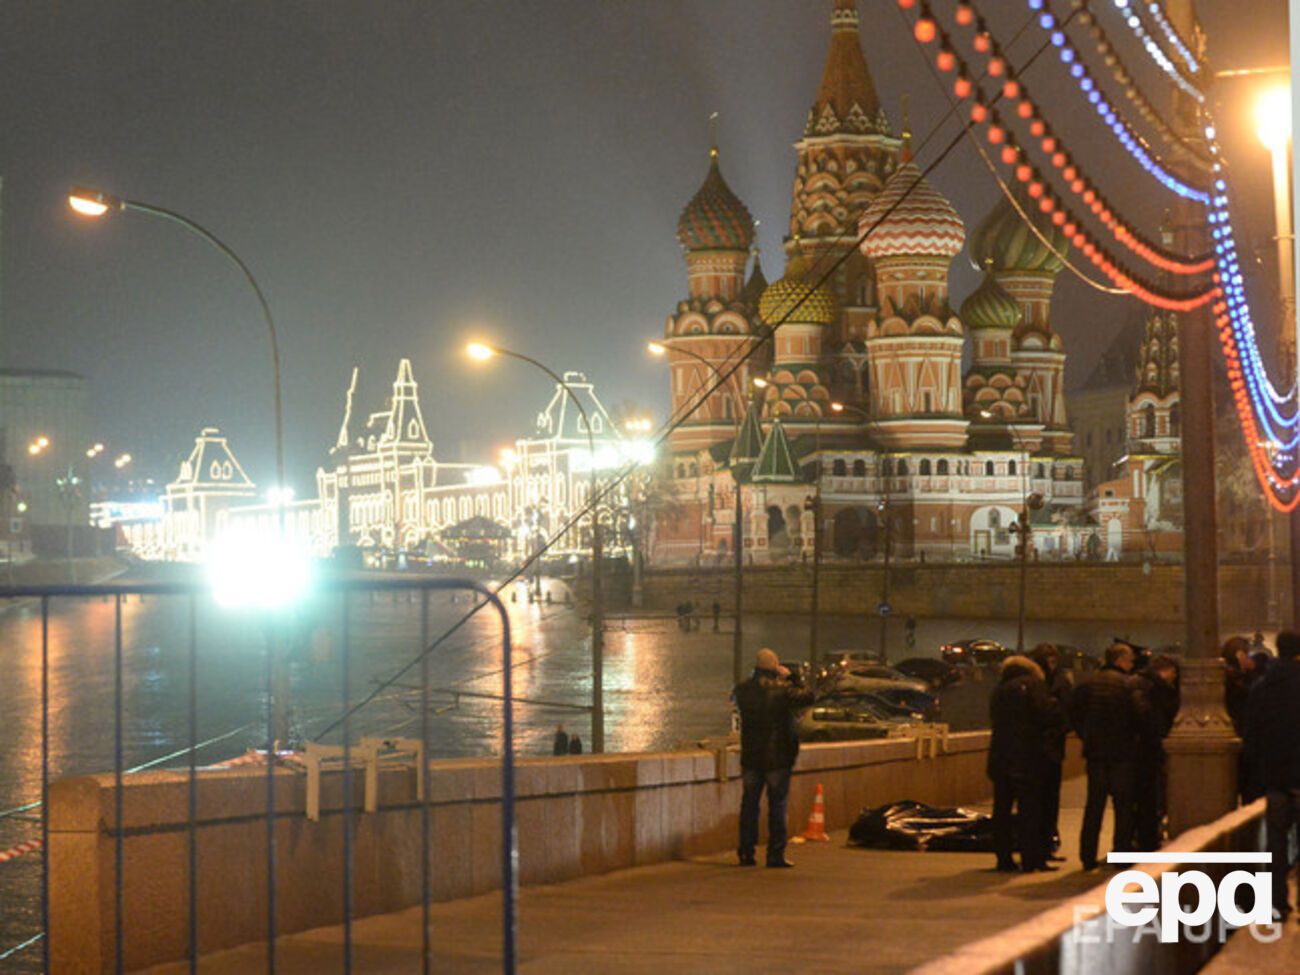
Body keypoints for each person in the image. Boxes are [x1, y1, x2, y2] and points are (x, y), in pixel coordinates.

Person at [733, 647, 815, 868]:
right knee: (777, 806)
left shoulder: (742, 690)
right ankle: (775, 854)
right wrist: (793, 677)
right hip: (778, 757)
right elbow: (808, 696)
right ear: (774, 667)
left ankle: (746, 853)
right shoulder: (784, 689)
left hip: (751, 756)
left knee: (749, 806)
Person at [1070, 642, 1146, 870]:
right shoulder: (1129, 684)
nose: (1132, 663)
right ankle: (1121, 855)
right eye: (1131, 659)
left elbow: (1073, 712)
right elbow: (1140, 716)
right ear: (1121, 660)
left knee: (1094, 806)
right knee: (1123, 807)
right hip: (1122, 753)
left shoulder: (1087, 684)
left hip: (1095, 753)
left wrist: (1086, 736)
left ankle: (1087, 856)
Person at [988, 655, 1063, 872]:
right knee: (1030, 810)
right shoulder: (1033, 685)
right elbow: (1048, 715)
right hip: (1029, 757)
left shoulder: (999, 690)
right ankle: (1032, 860)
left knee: (1001, 810)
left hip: (1001, 757)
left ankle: (1003, 858)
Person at [1244, 630, 1300, 920]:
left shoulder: (1262, 687)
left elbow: (1251, 736)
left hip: (1275, 778)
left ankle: (1277, 902)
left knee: (1276, 843)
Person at [1130, 654, 1180, 850]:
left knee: (1142, 797)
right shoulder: (1156, 688)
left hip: (1138, 747)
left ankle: (1142, 836)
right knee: (1151, 795)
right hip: (1149, 748)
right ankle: (1147, 838)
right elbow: (1152, 716)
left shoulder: (1136, 683)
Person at [1030, 643, 1072, 862]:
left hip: (1048, 749)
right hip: (1044, 750)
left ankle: (1046, 845)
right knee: (1041, 801)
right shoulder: (1045, 683)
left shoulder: (1052, 682)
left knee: (1047, 801)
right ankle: (1040, 848)